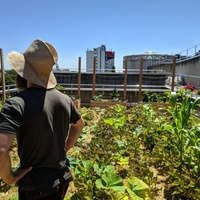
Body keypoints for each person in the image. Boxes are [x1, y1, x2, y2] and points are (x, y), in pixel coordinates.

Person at [0, 39, 84, 199]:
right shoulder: (64, 99)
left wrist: (10, 178)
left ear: (22, 72)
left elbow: (1, 150)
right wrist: (64, 149)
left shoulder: (16, 104)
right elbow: (79, 125)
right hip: (61, 178)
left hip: (35, 187)